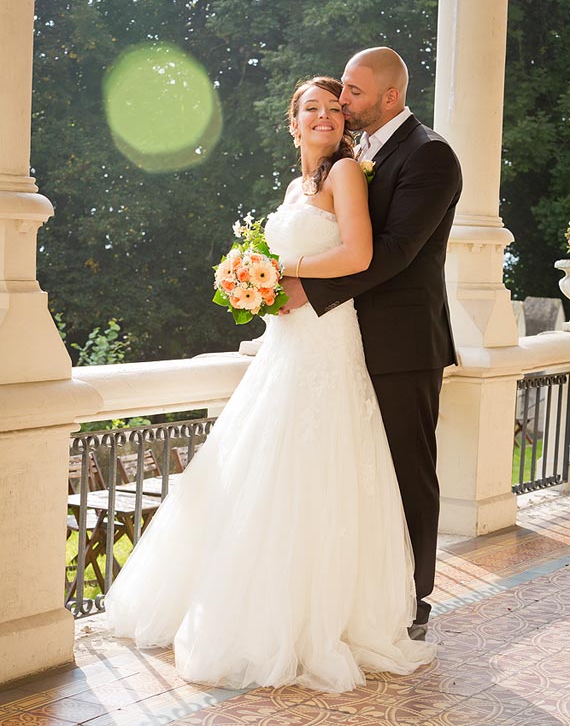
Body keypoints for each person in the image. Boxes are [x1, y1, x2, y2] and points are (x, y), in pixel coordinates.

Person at [105, 75, 436, 693]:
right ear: (293, 122)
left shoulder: (346, 176)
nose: (326, 118)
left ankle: (315, 618)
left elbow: (360, 255)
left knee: (315, 467)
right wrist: (252, 282)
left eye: (337, 110)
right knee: (258, 470)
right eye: (313, 109)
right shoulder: (295, 186)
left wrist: (279, 269)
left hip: (327, 340)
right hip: (285, 345)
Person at [282, 48, 463, 641]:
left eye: (353, 94)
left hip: (404, 342)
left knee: (407, 472)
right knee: (363, 477)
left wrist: (306, 288)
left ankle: (414, 599)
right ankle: (364, 592)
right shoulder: (354, 155)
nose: (343, 103)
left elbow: (397, 251)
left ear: (389, 96)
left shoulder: (430, 155)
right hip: (348, 342)